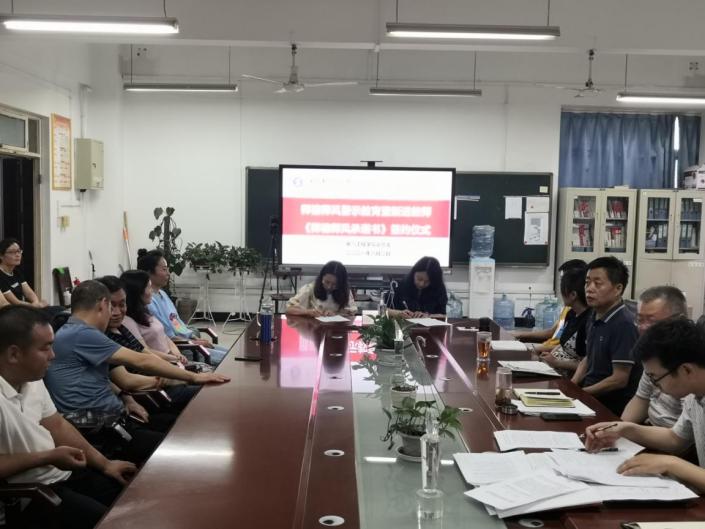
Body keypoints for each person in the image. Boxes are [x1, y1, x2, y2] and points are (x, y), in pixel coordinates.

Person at [44, 281, 229, 463]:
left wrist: (125, 398)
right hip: (100, 428)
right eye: (112, 306)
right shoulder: (82, 333)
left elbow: (99, 378)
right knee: (184, 444)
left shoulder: (74, 331)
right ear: (104, 304)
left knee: (184, 426)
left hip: (113, 417)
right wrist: (194, 377)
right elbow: (142, 360)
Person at [0, 305, 136, 529]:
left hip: (61, 476)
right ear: (14, 354)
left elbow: (57, 425)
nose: (53, 356)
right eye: (45, 348)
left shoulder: (32, 380)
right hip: (30, 496)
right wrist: (47, 457)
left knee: (135, 498)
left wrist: (105, 464)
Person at [585, 318, 705, 493]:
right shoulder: (694, 397)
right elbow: (675, 438)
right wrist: (625, 429)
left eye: (655, 378)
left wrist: (671, 464)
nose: (656, 386)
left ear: (686, 370)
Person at [96, 275, 199, 415]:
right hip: (154, 396)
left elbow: (146, 353)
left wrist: (177, 370)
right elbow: (126, 380)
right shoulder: (102, 338)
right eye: (111, 306)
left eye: (122, 304)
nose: (117, 312)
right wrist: (169, 379)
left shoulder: (121, 327)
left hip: (164, 382)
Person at [571, 256, 639, 415]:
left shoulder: (624, 324)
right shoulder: (594, 315)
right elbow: (589, 357)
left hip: (609, 407)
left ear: (618, 289)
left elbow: (619, 379)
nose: (589, 289)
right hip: (589, 397)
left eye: (597, 283)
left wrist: (581, 393)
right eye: (587, 282)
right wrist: (572, 384)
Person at [136, 249, 228, 361]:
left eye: (167, 269)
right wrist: (193, 342)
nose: (168, 273)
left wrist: (193, 337)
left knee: (231, 353)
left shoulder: (162, 294)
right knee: (228, 360)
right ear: (148, 272)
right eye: (164, 269)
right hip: (182, 349)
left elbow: (176, 322)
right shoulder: (149, 302)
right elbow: (166, 336)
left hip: (190, 343)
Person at [621, 286, 688, 427]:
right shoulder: (652, 353)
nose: (644, 327)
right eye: (640, 320)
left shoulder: (691, 362)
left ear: (680, 320)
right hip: (649, 429)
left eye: (653, 321)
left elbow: (682, 435)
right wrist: (618, 427)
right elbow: (641, 399)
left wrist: (626, 430)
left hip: (671, 436)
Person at [513, 259, 587, 351]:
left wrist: (536, 349)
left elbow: (569, 349)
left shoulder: (583, 316)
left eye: (564, 281)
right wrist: (519, 334)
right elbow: (552, 332)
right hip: (549, 349)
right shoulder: (569, 311)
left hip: (551, 351)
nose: (561, 286)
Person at [536, 265, 589, 376]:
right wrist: (549, 356)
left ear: (573, 295)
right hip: (553, 368)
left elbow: (587, 364)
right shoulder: (571, 313)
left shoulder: (589, 321)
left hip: (568, 375)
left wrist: (556, 362)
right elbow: (562, 345)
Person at [0, 238, 55, 312]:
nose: (17, 255)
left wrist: (36, 302)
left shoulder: (16, 272)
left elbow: (29, 293)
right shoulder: (1, 275)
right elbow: (15, 302)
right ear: (1, 256)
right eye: (12, 252)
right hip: (13, 312)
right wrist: (35, 306)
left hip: (25, 309)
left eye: (19, 251)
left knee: (59, 310)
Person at [286, 261, 357, 317]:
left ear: (341, 283)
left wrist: (336, 313)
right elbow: (289, 309)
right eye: (327, 282)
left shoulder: (345, 291)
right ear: (321, 278)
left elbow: (351, 312)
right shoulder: (310, 289)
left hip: (337, 328)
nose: (329, 287)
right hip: (314, 328)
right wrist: (308, 312)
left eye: (334, 284)